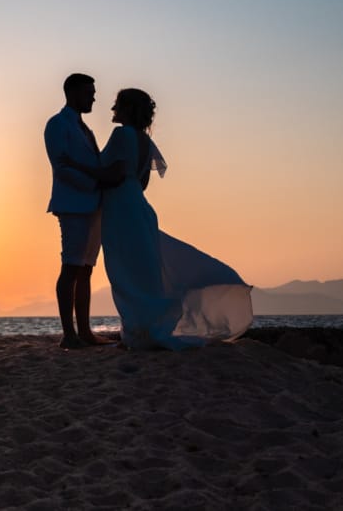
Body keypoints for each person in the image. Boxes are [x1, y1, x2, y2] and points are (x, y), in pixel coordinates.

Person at [70, 88, 253, 349]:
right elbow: (141, 181)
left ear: (127, 109)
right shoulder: (145, 142)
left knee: (124, 270)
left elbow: (115, 174)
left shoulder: (121, 134)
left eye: (117, 105)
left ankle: (138, 331)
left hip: (121, 208)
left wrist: (78, 167)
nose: (112, 110)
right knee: (141, 270)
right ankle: (141, 328)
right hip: (139, 206)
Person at [43, 73, 123, 349]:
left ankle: (85, 331)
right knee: (70, 266)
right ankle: (69, 333)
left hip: (94, 206)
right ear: (73, 92)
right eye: (89, 92)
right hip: (74, 205)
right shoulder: (57, 125)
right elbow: (61, 168)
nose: (93, 98)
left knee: (86, 269)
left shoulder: (84, 129)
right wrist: (95, 182)